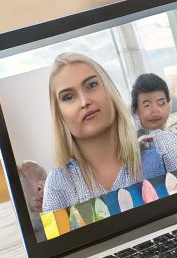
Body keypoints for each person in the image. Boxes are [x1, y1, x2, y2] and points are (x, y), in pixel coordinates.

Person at [40, 52, 146, 213]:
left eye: (91, 85)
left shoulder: (161, 149)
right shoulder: (58, 184)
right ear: (60, 115)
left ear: (110, 91)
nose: (84, 102)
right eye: (68, 97)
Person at [130, 72, 177, 179]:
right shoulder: (134, 147)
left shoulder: (176, 136)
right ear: (136, 110)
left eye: (161, 103)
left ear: (168, 105)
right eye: (147, 105)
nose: (155, 111)